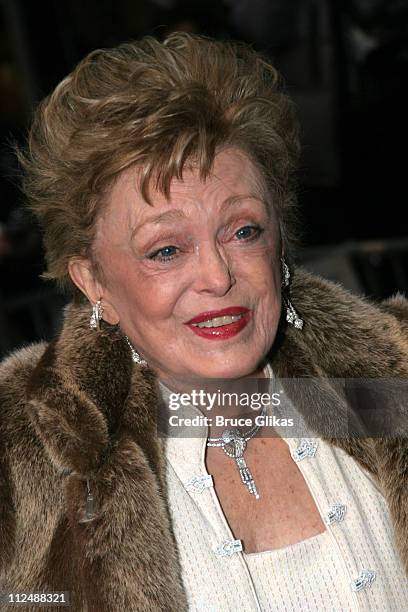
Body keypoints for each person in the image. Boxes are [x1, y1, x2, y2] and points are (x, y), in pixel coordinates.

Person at [0, 33, 407, 612]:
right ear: (94, 282)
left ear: (280, 241)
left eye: (244, 231)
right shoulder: (22, 461)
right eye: (166, 249)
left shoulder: (394, 383)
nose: (217, 277)